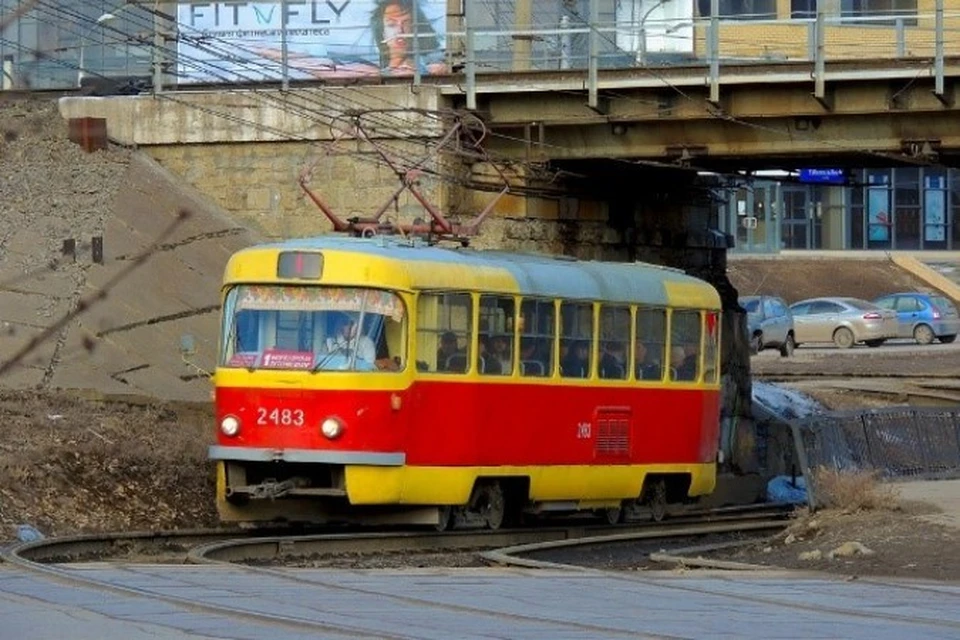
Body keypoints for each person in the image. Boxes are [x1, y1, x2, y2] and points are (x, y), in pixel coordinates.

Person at [371, 0, 448, 76]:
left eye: (406, 23)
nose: (400, 31)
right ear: (382, 32)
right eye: (392, 25)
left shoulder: (432, 69)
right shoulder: (370, 73)